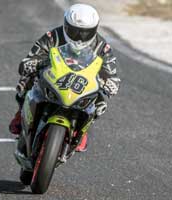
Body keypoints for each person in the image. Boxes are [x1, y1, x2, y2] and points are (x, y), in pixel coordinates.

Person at [9, 4, 121, 152]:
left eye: (85, 33)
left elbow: (111, 73)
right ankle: (20, 114)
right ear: (66, 25)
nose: (80, 37)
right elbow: (31, 57)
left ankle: (81, 131)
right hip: (54, 76)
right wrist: (32, 63)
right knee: (26, 81)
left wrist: (110, 83)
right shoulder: (52, 36)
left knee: (100, 102)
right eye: (75, 31)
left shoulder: (102, 47)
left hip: (82, 84)